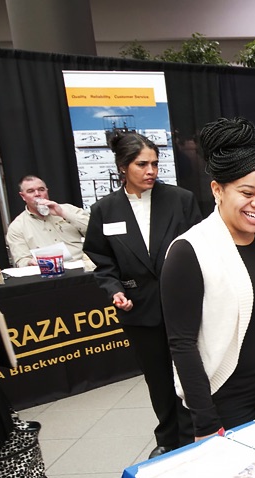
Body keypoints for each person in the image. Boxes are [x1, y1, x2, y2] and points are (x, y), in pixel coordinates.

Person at [160, 117, 255, 439]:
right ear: (217, 190)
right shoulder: (189, 251)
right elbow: (181, 344)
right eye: (247, 192)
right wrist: (205, 421)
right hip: (226, 395)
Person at [83, 132, 201, 458]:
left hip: (183, 305)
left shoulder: (181, 200)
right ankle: (167, 437)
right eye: (142, 164)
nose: (151, 170)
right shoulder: (104, 210)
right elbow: (103, 263)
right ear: (123, 167)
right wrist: (114, 290)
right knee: (158, 377)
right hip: (139, 309)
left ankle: (193, 433)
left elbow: (201, 249)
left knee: (188, 371)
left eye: (154, 163)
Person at [6, 176, 89, 267]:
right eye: (31, 191)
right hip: (49, 272)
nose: (37, 194)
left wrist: (63, 214)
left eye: (41, 190)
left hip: (82, 266)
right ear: (23, 196)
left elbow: (95, 231)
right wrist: (30, 262)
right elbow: (21, 260)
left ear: (47, 191)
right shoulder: (17, 226)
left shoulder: (68, 209)